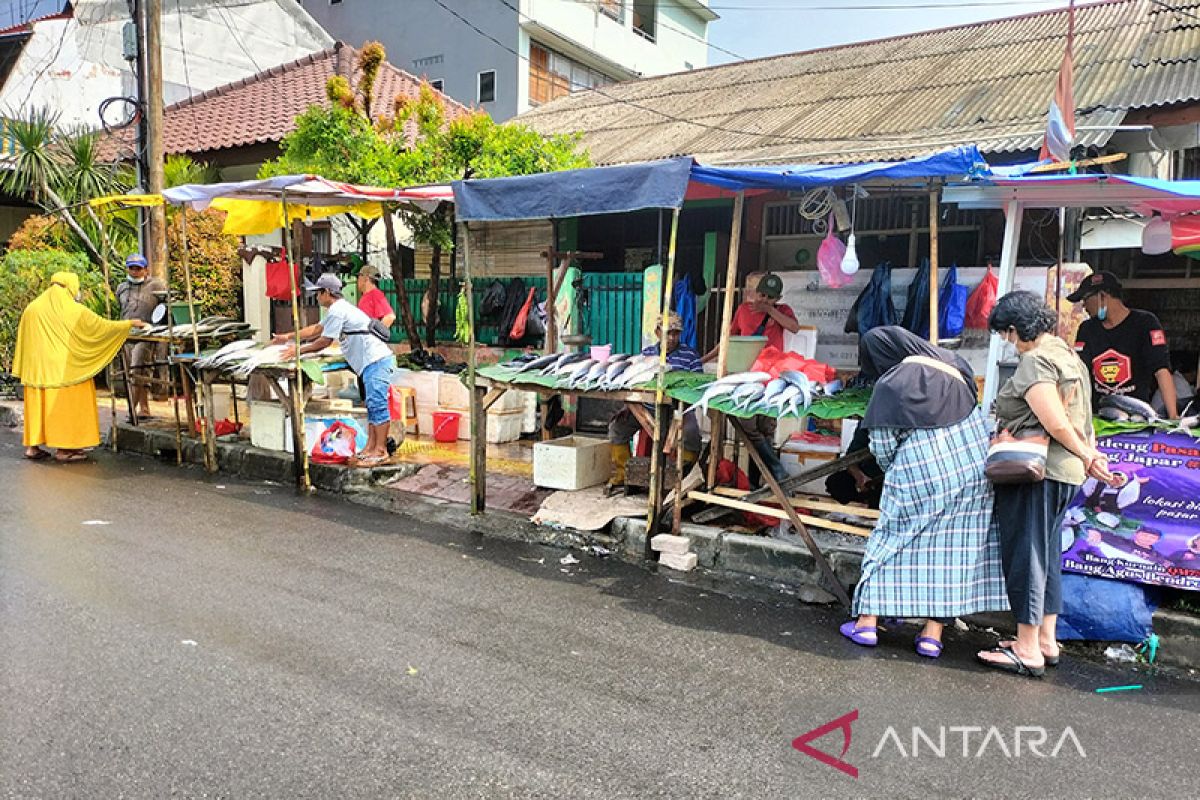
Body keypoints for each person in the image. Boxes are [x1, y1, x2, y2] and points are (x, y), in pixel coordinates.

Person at [839, 327, 1008, 658]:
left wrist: (892, 471)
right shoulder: (953, 363)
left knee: (892, 539)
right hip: (973, 469)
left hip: (920, 470)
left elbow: (884, 447)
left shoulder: (892, 382)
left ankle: (868, 623)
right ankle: (932, 637)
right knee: (952, 551)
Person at [978, 290, 1120, 679]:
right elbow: (1081, 419)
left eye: (1006, 334)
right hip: (1064, 473)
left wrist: (1088, 456)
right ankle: (1045, 640)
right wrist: (1087, 456)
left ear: (1015, 329)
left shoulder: (1036, 360)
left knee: (1028, 554)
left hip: (1036, 473)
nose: (1007, 342)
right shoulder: (1068, 355)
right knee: (1047, 556)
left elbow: (1056, 421)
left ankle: (1026, 649)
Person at [15, 271, 148, 462]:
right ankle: (64, 450)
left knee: (38, 407)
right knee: (65, 407)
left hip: (36, 368)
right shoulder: (73, 310)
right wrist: (128, 324)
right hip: (65, 369)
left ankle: (33, 448)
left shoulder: (32, 308)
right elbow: (100, 327)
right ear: (70, 286)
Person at [272, 274, 396, 467]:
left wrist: (298, 350)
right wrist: (288, 337)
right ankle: (370, 449)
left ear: (327, 292)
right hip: (369, 363)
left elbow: (324, 341)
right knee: (371, 406)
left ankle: (380, 451)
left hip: (376, 361)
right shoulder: (337, 310)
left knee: (378, 406)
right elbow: (316, 330)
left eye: (319, 293)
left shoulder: (339, 310)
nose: (317, 297)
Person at [704, 272, 799, 484]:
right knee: (748, 427)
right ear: (755, 293)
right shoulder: (743, 310)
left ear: (779, 298)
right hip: (747, 379)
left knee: (766, 431)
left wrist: (770, 311)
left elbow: (794, 327)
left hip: (773, 380)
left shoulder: (782, 311)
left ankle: (760, 483)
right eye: (762, 295)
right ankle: (777, 470)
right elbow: (728, 340)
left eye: (771, 297)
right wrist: (706, 358)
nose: (764, 300)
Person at [607, 312, 702, 496]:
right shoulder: (647, 354)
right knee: (617, 428)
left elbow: (698, 384)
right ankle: (623, 476)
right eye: (668, 333)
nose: (672, 337)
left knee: (691, 434)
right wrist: (628, 407)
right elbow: (636, 382)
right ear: (658, 333)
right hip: (647, 409)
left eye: (676, 333)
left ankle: (684, 477)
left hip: (677, 410)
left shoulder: (690, 356)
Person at [1068, 271, 1178, 419]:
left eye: (1085, 299)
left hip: (1137, 415)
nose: (1084, 306)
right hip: (1098, 416)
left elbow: (1161, 371)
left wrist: (1173, 416)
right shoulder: (1087, 329)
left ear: (1102, 296)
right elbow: (1079, 372)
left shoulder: (1145, 323)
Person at [115, 253, 167, 419]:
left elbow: (165, 308)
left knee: (137, 369)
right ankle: (144, 408)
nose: (134, 272)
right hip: (126, 335)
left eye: (138, 268)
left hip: (146, 335)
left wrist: (154, 326)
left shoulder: (156, 285)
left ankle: (132, 410)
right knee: (134, 371)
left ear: (146, 270)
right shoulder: (122, 288)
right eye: (131, 268)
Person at [356, 264, 396, 328]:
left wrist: (375, 334)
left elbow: (390, 317)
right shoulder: (366, 296)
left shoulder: (375, 294)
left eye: (359, 277)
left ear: (366, 279)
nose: (357, 280)